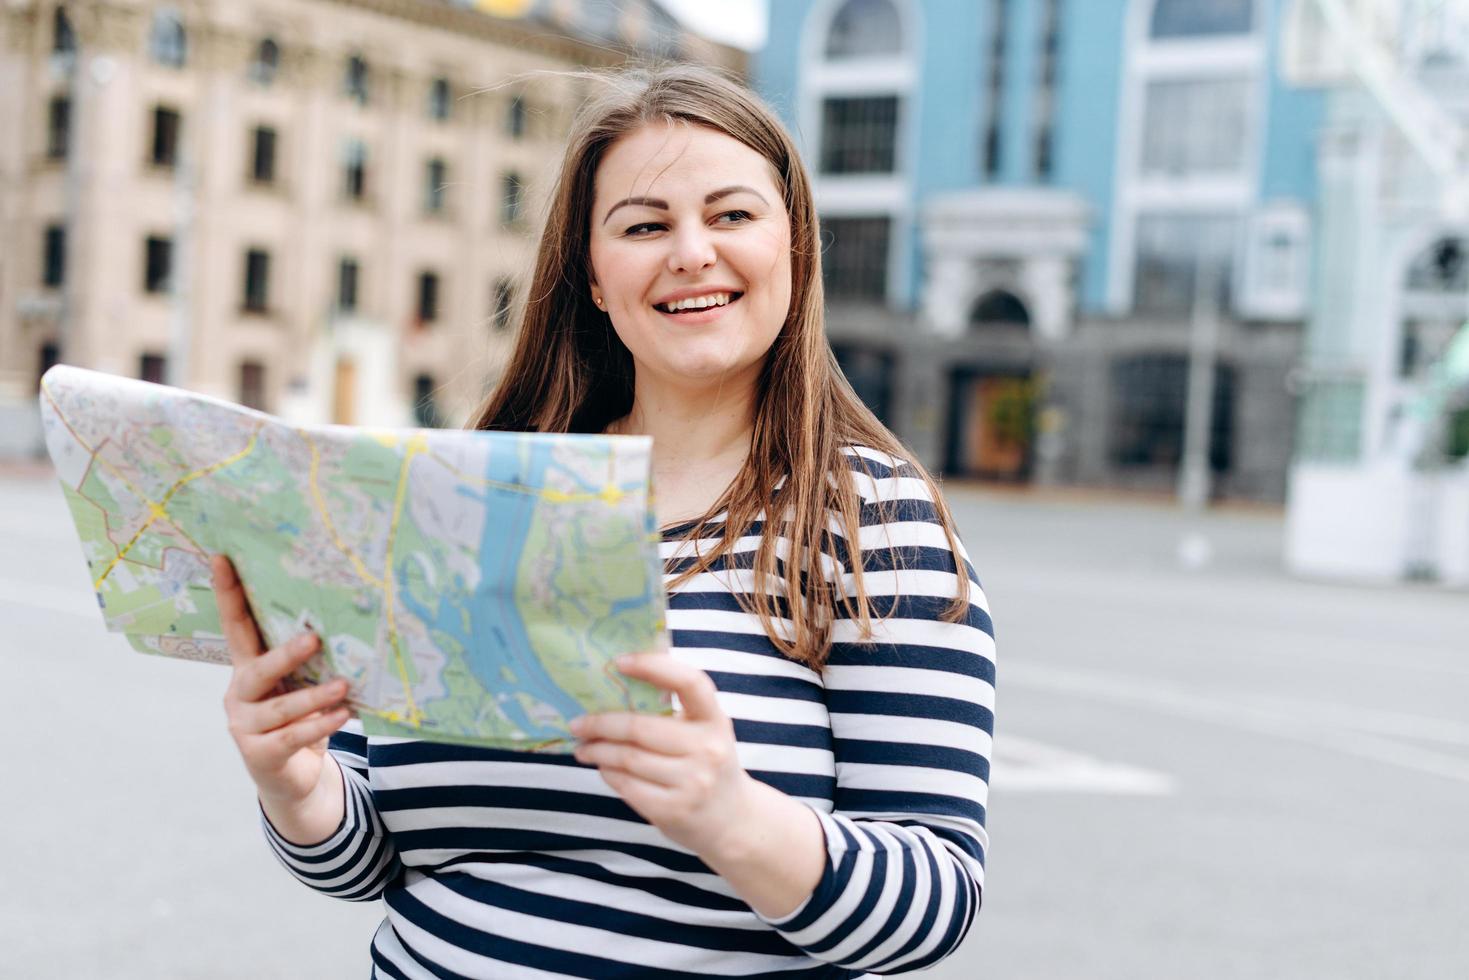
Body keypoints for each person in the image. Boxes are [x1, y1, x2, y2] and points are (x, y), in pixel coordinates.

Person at [213, 64, 995, 978]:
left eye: (732, 215)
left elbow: (933, 905)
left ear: (795, 247)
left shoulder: (873, 520)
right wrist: (297, 785)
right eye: (645, 225)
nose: (692, 252)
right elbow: (372, 860)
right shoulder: (466, 496)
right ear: (591, 273)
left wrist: (732, 818)